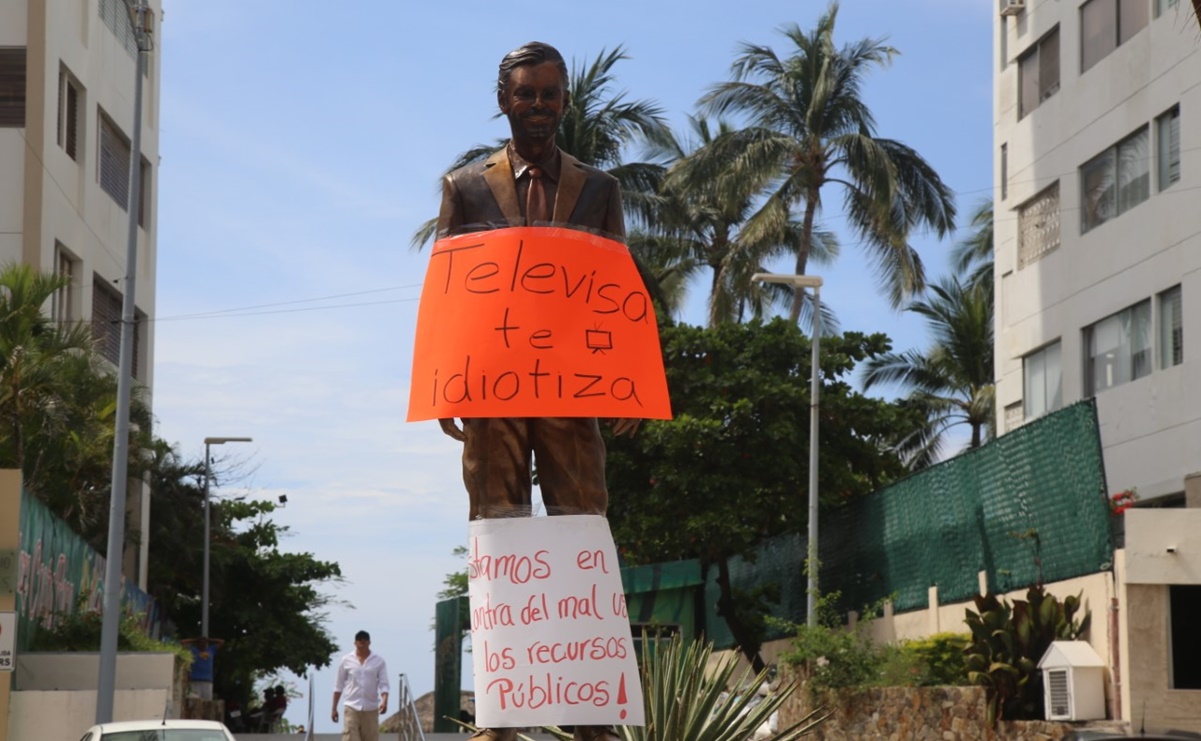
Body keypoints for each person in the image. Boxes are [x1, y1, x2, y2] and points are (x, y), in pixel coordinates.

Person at [433, 40, 633, 741]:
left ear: (565, 101)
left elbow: (616, 294)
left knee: (582, 529)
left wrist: (628, 386)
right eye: (527, 94)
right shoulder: (465, 188)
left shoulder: (601, 189)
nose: (539, 106)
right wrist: (447, 382)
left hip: (573, 393)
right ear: (503, 100)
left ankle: (591, 720)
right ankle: (500, 718)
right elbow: (449, 292)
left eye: (550, 94)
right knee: (498, 533)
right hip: (493, 393)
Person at [332, 630, 390, 741]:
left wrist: (385, 701)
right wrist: (334, 708)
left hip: (371, 707)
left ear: (369, 642)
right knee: (350, 738)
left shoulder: (379, 661)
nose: (362, 641)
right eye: (359, 639)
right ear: (355, 643)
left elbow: (384, 684)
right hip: (351, 706)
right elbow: (338, 685)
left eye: (365, 639)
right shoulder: (346, 660)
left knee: (370, 738)